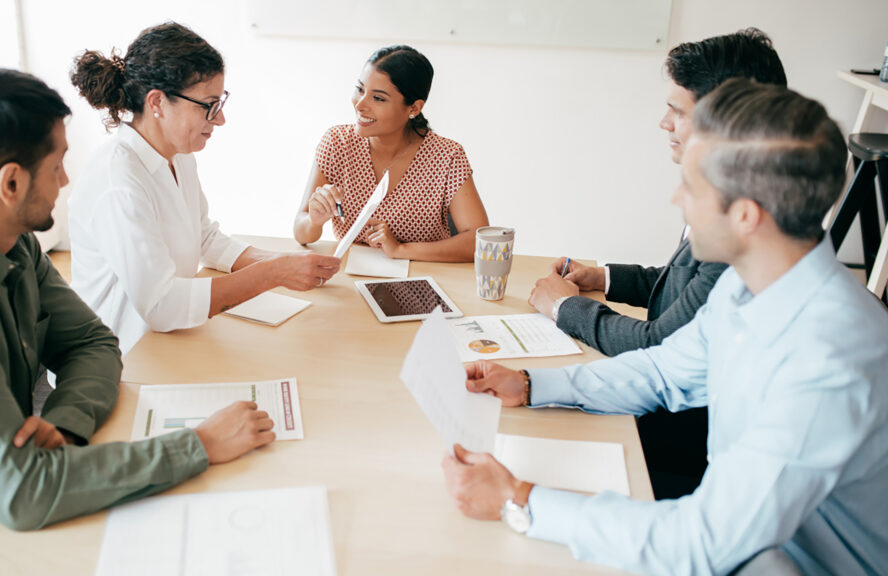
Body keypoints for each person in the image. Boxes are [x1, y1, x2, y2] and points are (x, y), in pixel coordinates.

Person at [443, 79, 888, 574]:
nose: (678, 198)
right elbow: (662, 371)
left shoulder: (826, 361)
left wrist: (518, 500)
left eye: (693, 186)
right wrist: (531, 384)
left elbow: (706, 544)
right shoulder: (751, 286)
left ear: (745, 216)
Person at [0, 66, 276, 530]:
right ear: (11, 184)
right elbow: (24, 492)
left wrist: (63, 426)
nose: (65, 181)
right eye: (58, 164)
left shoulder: (11, 241)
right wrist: (197, 445)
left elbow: (93, 344)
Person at [528, 28, 788, 498]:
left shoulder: (745, 231)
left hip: (685, 441)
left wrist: (565, 310)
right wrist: (602, 278)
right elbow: (682, 287)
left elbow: (659, 345)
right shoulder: (733, 195)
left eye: (677, 111)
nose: (663, 123)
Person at [69, 22, 341, 355]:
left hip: (164, 343)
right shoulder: (119, 182)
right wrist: (272, 274)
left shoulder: (176, 154)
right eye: (208, 105)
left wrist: (285, 261)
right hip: (119, 358)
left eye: (220, 102)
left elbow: (204, 237)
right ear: (156, 102)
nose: (221, 119)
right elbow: (161, 307)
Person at [293, 45, 489, 262]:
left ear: (413, 108)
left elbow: (478, 242)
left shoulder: (447, 156)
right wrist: (314, 220)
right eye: (360, 89)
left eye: (378, 98)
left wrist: (400, 250)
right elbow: (301, 233)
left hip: (423, 281)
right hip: (350, 278)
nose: (360, 104)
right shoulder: (337, 143)